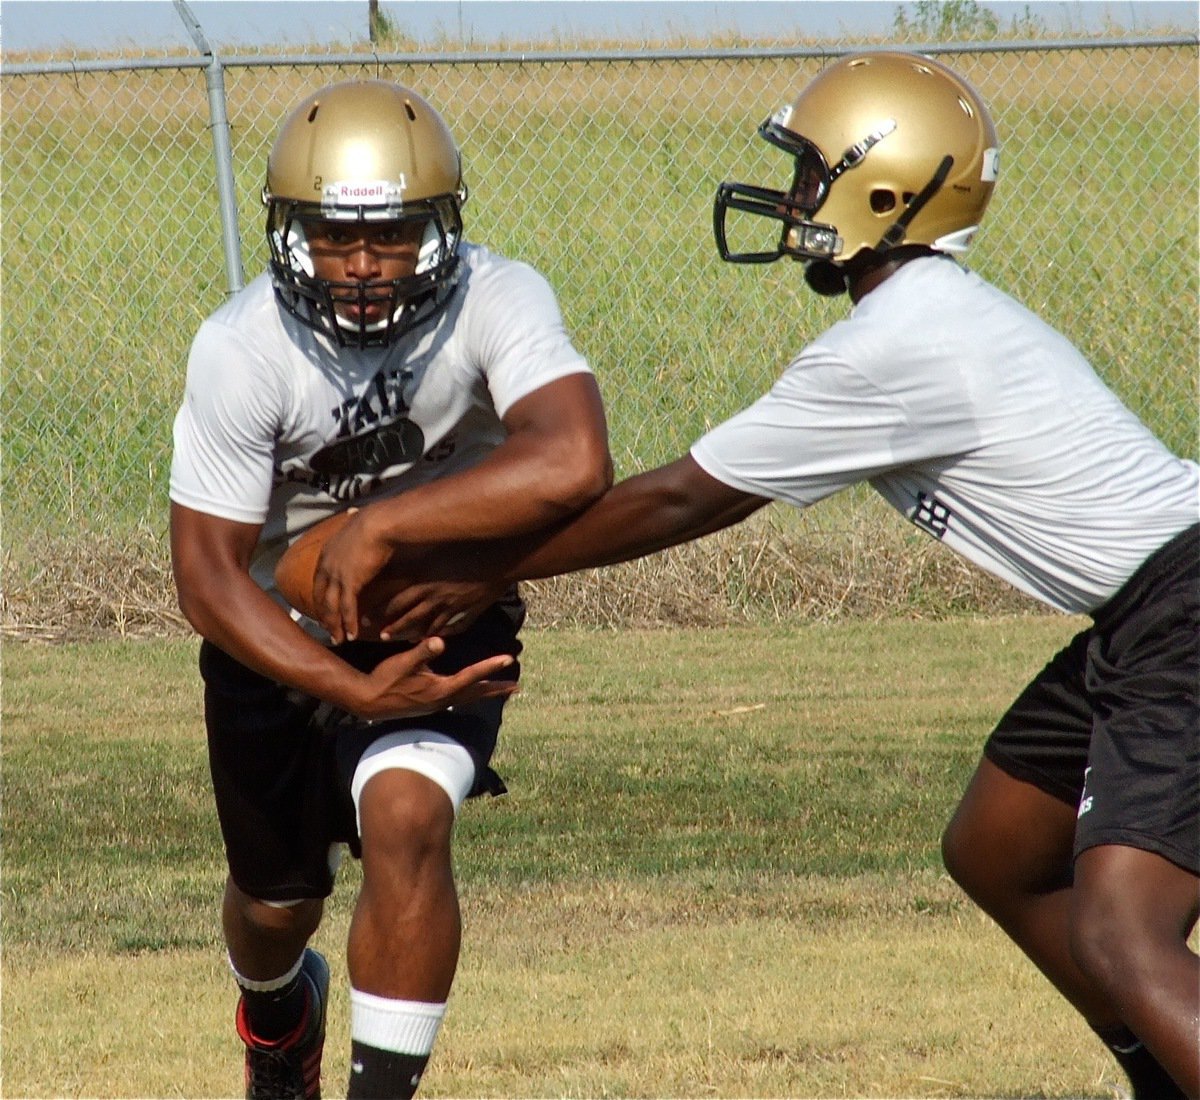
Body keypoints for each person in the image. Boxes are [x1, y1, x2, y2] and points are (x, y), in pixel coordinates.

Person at [286, 53, 1200, 1098]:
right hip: (1147, 611)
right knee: (1000, 847)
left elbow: (680, 498)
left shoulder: (895, 345)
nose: (794, 196)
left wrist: (466, 566)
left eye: (812, 173)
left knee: (1126, 929)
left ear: (884, 192)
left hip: (1181, 606)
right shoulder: (926, 317)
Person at [168, 78, 611, 1100]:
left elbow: (576, 456)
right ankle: (278, 1015)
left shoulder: (497, 296)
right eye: (335, 237)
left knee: (409, 817)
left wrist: (381, 528)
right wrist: (350, 685)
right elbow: (206, 574)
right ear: (290, 233)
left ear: (439, 228)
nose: (363, 265)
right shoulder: (242, 347)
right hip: (275, 629)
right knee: (275, 904)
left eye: (391, 235)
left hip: (437, 603)